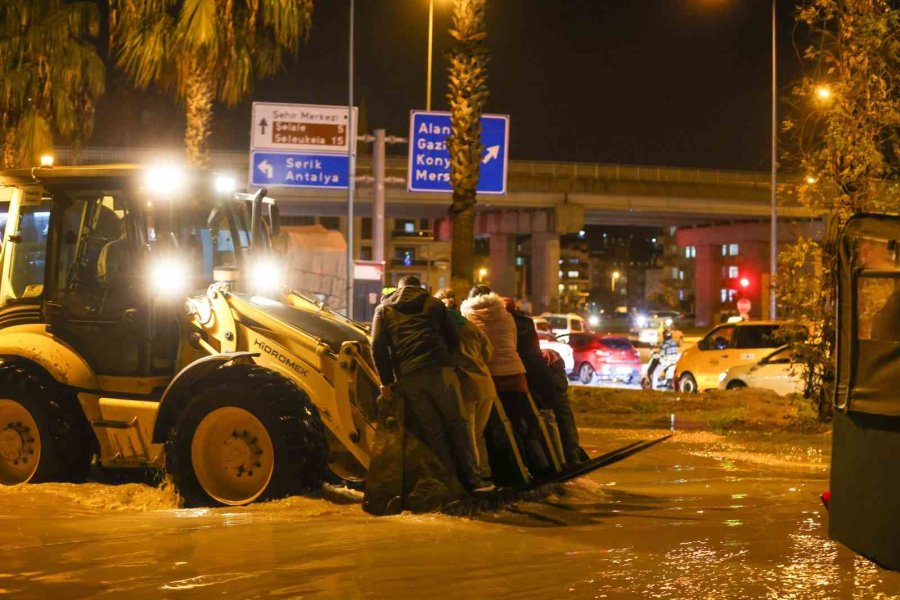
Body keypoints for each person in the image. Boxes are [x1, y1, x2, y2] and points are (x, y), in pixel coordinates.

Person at [370, 276, 492, 492]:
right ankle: (473, 480)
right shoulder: (434, 304)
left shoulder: (383, 309)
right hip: (440, 370)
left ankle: (448, 481)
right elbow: (453, 337)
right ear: (419, 287)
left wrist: (386, 381)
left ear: (398, 288)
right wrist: (446, 357)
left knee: (432, 428)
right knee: (458, 424)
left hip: (409, 376)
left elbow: (377, 345)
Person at [461, 286, 551, 474]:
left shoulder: (468, 317)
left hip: (491, 376)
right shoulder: (507, 316)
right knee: (521, 424)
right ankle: (539, 467)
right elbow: (513, 343)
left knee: (493, 429)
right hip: (516, 374)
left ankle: (506, 471)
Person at [502, 297, 582, 464]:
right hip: (531, 377)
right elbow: (531, 354)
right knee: (555, 411)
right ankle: (568, 456)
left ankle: (567, 455)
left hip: (525, 377)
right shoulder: (522, 324)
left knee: (551, 413)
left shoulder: (501, 325)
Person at [435, 288, 496, 479]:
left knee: (469, 438)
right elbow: (488, 354)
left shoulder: (442, 330)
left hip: (466, 388)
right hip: (486, 385)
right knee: (478, 435)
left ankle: (476, 478)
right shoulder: (471, 327)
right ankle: (485, 473)